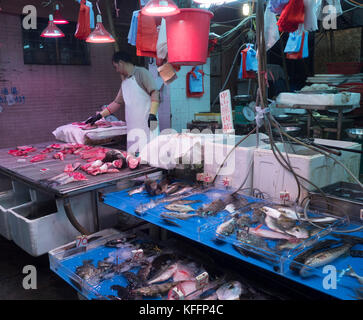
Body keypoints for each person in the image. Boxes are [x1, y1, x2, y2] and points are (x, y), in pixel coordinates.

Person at [86, 51, 160, 153]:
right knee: (135, 156)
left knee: (150, 153)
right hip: (133, 126)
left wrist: (152, 114)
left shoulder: (141, 73)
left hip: (148, 124)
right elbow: (117, 102)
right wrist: (99, 116)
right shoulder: (124, 81)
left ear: (121, 63)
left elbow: (155, 92)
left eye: (116, 67)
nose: (117, 70)